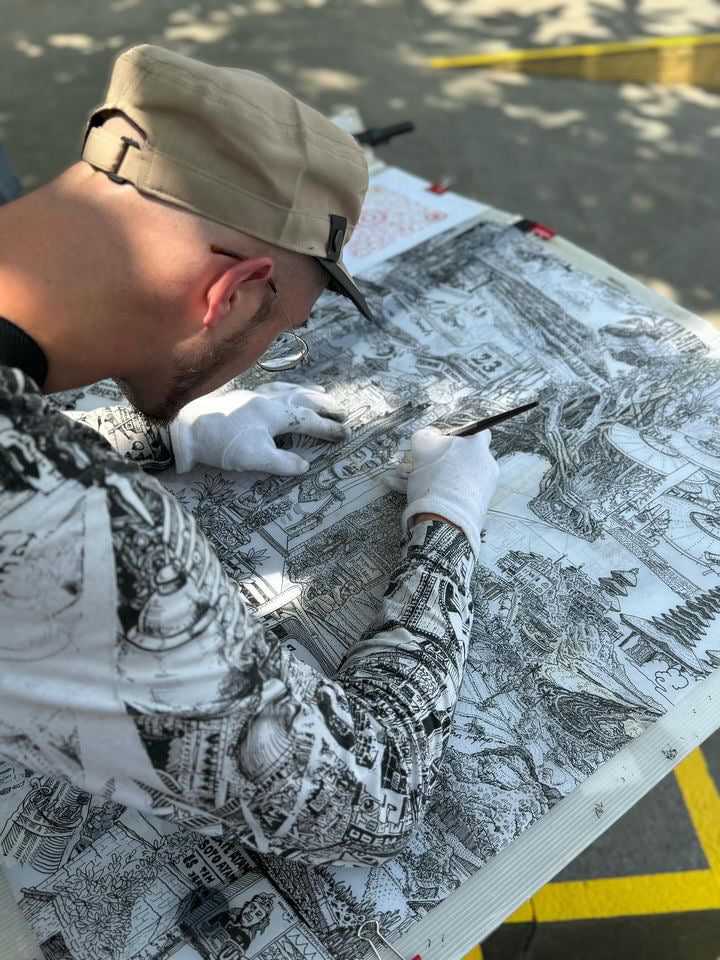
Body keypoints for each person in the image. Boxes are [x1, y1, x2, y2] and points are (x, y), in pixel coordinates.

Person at [0, 44, 498, 865]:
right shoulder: (87, 533)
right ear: (230, 294)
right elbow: (364, 799)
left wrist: (166, 435)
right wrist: (449, 522)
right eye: (277, 330)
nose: (261, 354)